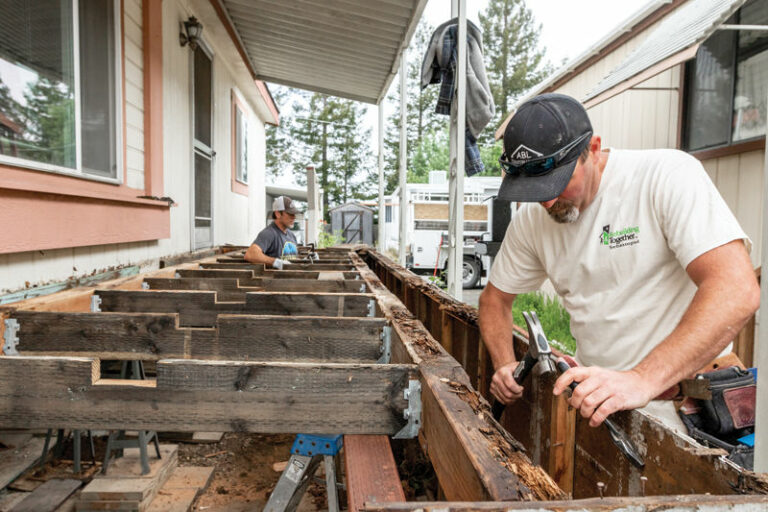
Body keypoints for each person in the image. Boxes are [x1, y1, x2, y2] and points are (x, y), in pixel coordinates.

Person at [478, 93, 759, 431]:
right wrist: (505, 365)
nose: (547, 201)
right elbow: (494, 300)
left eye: (557, 183)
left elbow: (736, 289)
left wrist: (642, 379)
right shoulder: (531, 221)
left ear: (593, 149)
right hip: (605, 405)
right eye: (534, 190)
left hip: (693, 408)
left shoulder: (665, 176)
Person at [245, 196, 299, 269]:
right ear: (278, 214)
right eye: (290, 214)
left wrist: (307, 260)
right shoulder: (269, 233)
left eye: (294, 214)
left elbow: (292, 260)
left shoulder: (291, 235)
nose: (294, 217)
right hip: (276, 280)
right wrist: (275, 262)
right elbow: (250, 254)